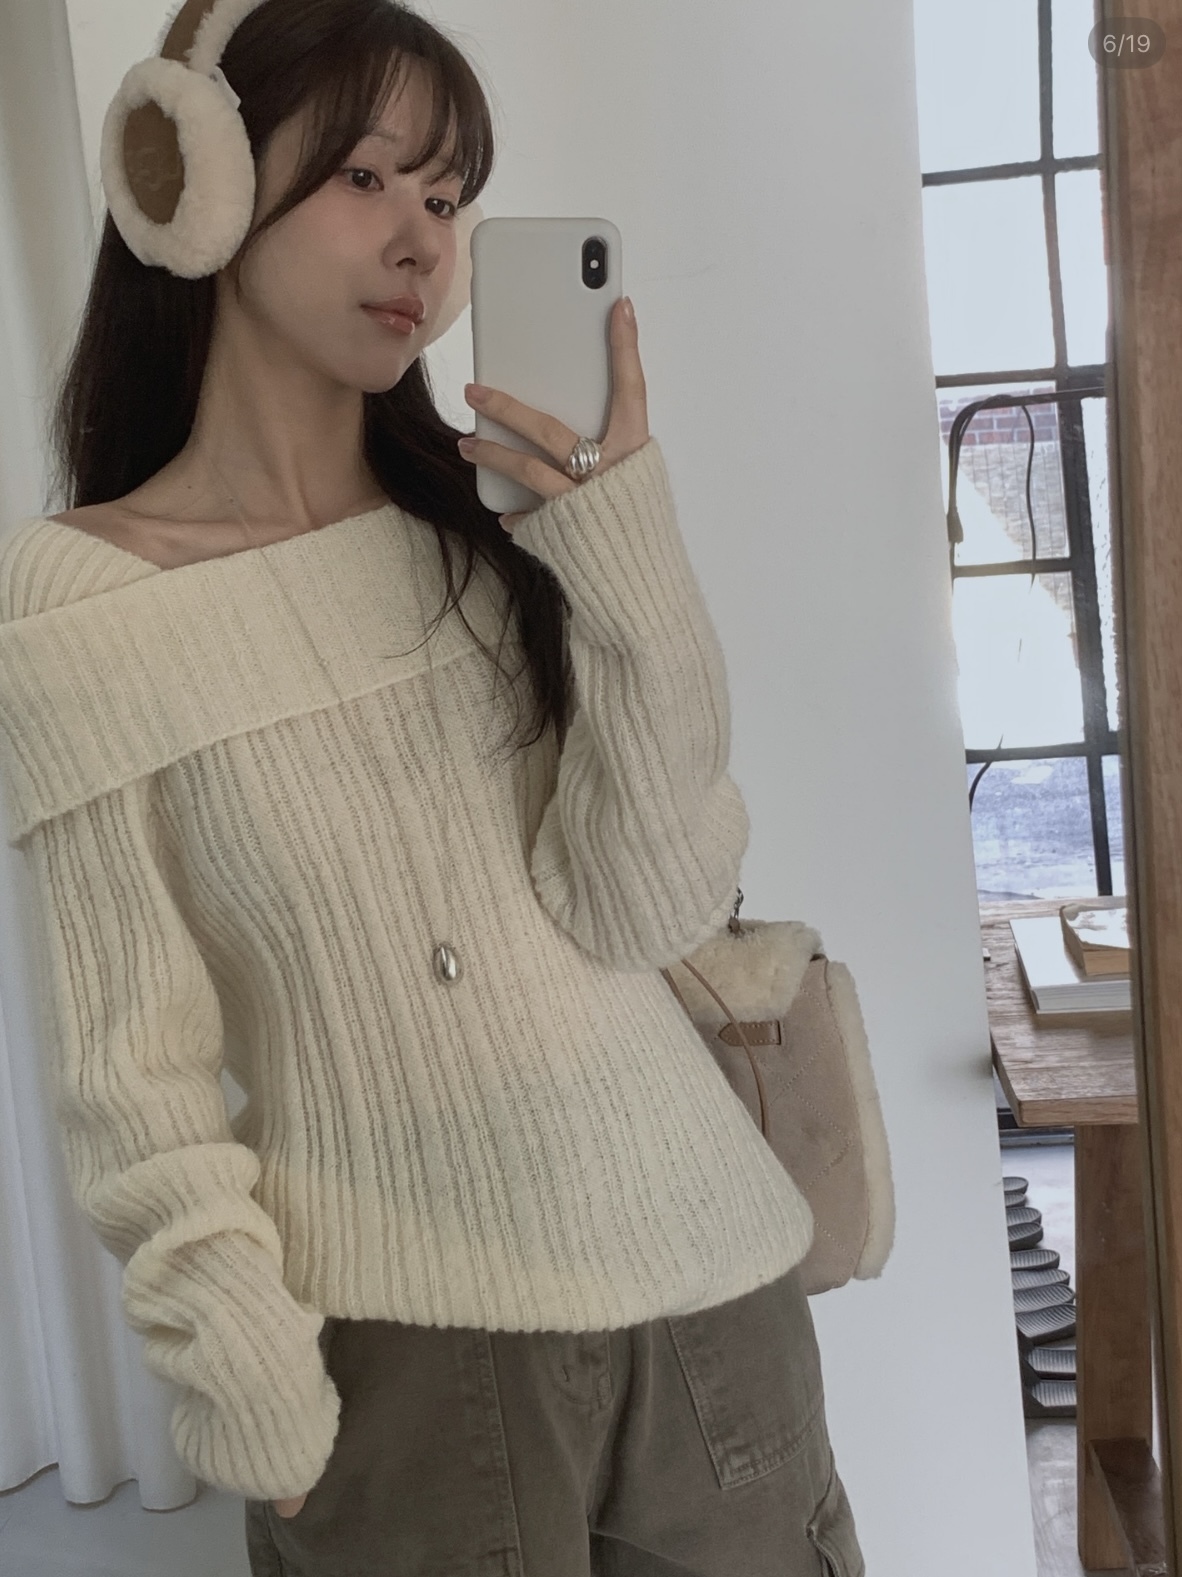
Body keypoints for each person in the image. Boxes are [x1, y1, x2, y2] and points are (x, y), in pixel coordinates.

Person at [0, 2, 865, 1572]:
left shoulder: (489, 538)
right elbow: (131, 1067)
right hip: (407, 1362)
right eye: (365, 178)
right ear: (196, 184)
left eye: (450, 195)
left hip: (708, 1306)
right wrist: (244, 1374)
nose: (422, 240)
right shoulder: (83, 603)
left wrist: (620, 544)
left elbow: (643, 905)